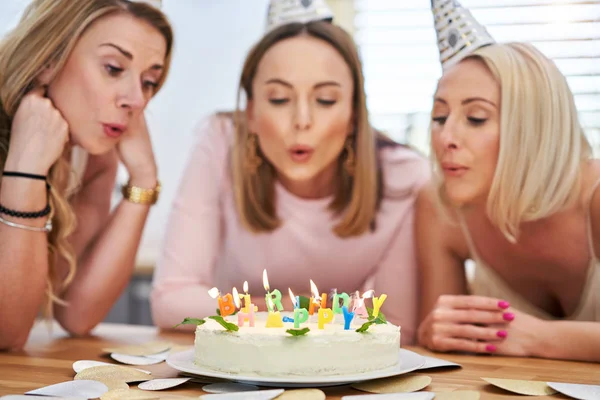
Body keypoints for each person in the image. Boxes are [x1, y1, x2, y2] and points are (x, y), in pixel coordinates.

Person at [151, 1, 429, 344]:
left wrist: (263, 313)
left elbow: (396, 326)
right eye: (280, 99)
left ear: (355, 113)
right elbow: (171, 301)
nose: (302, 120)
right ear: (251, 112)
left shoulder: (404, 177)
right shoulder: (221, 141)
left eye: (325, 100)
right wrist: (284, 310)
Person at [417, 0, 600, 362]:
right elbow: (446, 360)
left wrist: (541, 339)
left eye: (477, 118)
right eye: (440, 116)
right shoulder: (440, 206)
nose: (446, 136)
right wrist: (432, 333)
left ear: (532, 129)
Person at [0, 0, 172, 351]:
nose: (136, 99)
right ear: (48, 60)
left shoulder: (89, 155)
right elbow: (6, 334)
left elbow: (77, 313)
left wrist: (143, 180)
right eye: (113, 68)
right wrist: (25, 169)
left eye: (149, 81)